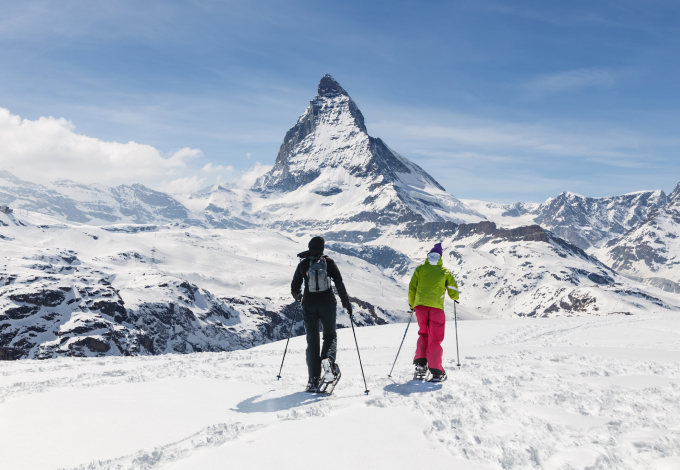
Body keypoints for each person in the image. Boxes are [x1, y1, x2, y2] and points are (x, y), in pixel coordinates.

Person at [291, 236, 353, 392]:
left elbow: (294, 287)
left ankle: (313, 379)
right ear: (322, 248)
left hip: (309, 304)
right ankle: (328, 361)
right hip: (327, 303)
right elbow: (339, 282)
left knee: (312, 341)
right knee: (330, 335)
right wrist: (347, 304)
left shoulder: (304, 263)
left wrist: (299, 297)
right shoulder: (329, 262)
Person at [408, 242, 459, 382]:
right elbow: (453, 290)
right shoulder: (444, 271)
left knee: (423, 333)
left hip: (420, 308)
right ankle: (436, 372)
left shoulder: (420, 269)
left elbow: (412, 287)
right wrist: (455, 298)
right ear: (440, 256)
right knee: (435, 338)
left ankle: (420, 366)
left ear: (428, 256)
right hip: (436, 308)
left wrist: (412, 304)